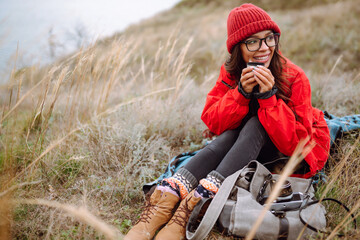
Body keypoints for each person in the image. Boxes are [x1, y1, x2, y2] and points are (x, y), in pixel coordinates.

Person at [124, 3, 330, 240]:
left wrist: (268, 97)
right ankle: (164, 202)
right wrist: (241, 92)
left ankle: (197, 201)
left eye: (269, 39)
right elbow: (214, 123)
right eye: (253, 41)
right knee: (230, 135)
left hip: (285, 153)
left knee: (256, 123)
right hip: (243, 147)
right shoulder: (232, 72)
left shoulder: (293, 77)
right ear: (237, 48)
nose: (264, 48)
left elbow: (295, 146)